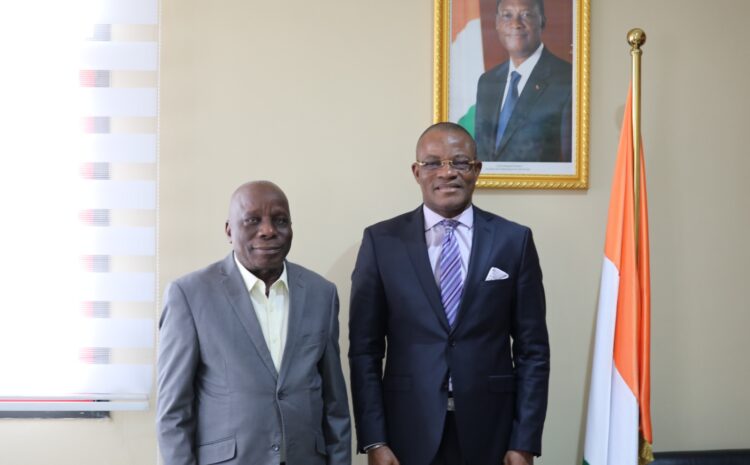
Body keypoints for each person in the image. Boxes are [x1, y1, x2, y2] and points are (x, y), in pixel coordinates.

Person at [348, 122, 550, 465]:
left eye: (460, 162)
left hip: (493, 434)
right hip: (406, 432)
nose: (447, 172)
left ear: (477, 170)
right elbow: (364, 352)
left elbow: (533, 351)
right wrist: (374, 441)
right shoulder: (381, 243)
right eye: (433, 163)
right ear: (416, 172)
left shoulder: (513, 241)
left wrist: (524, 441)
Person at [157, 181, 351, 465]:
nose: (268, 230)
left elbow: (335, 403)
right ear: (229, 230)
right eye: (252, 220)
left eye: (280, 220)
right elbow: (173, 413)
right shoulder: (189, 295)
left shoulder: (321, 293)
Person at [475, 0, 572, 163]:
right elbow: (480, 151)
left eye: (526, 15)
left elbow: (570, 161)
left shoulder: (567, 80)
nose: (515, 24)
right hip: (490, 187)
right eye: (507, 15)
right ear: (497, 23)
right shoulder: (487, 82)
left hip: (541, 188)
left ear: (542, 21)